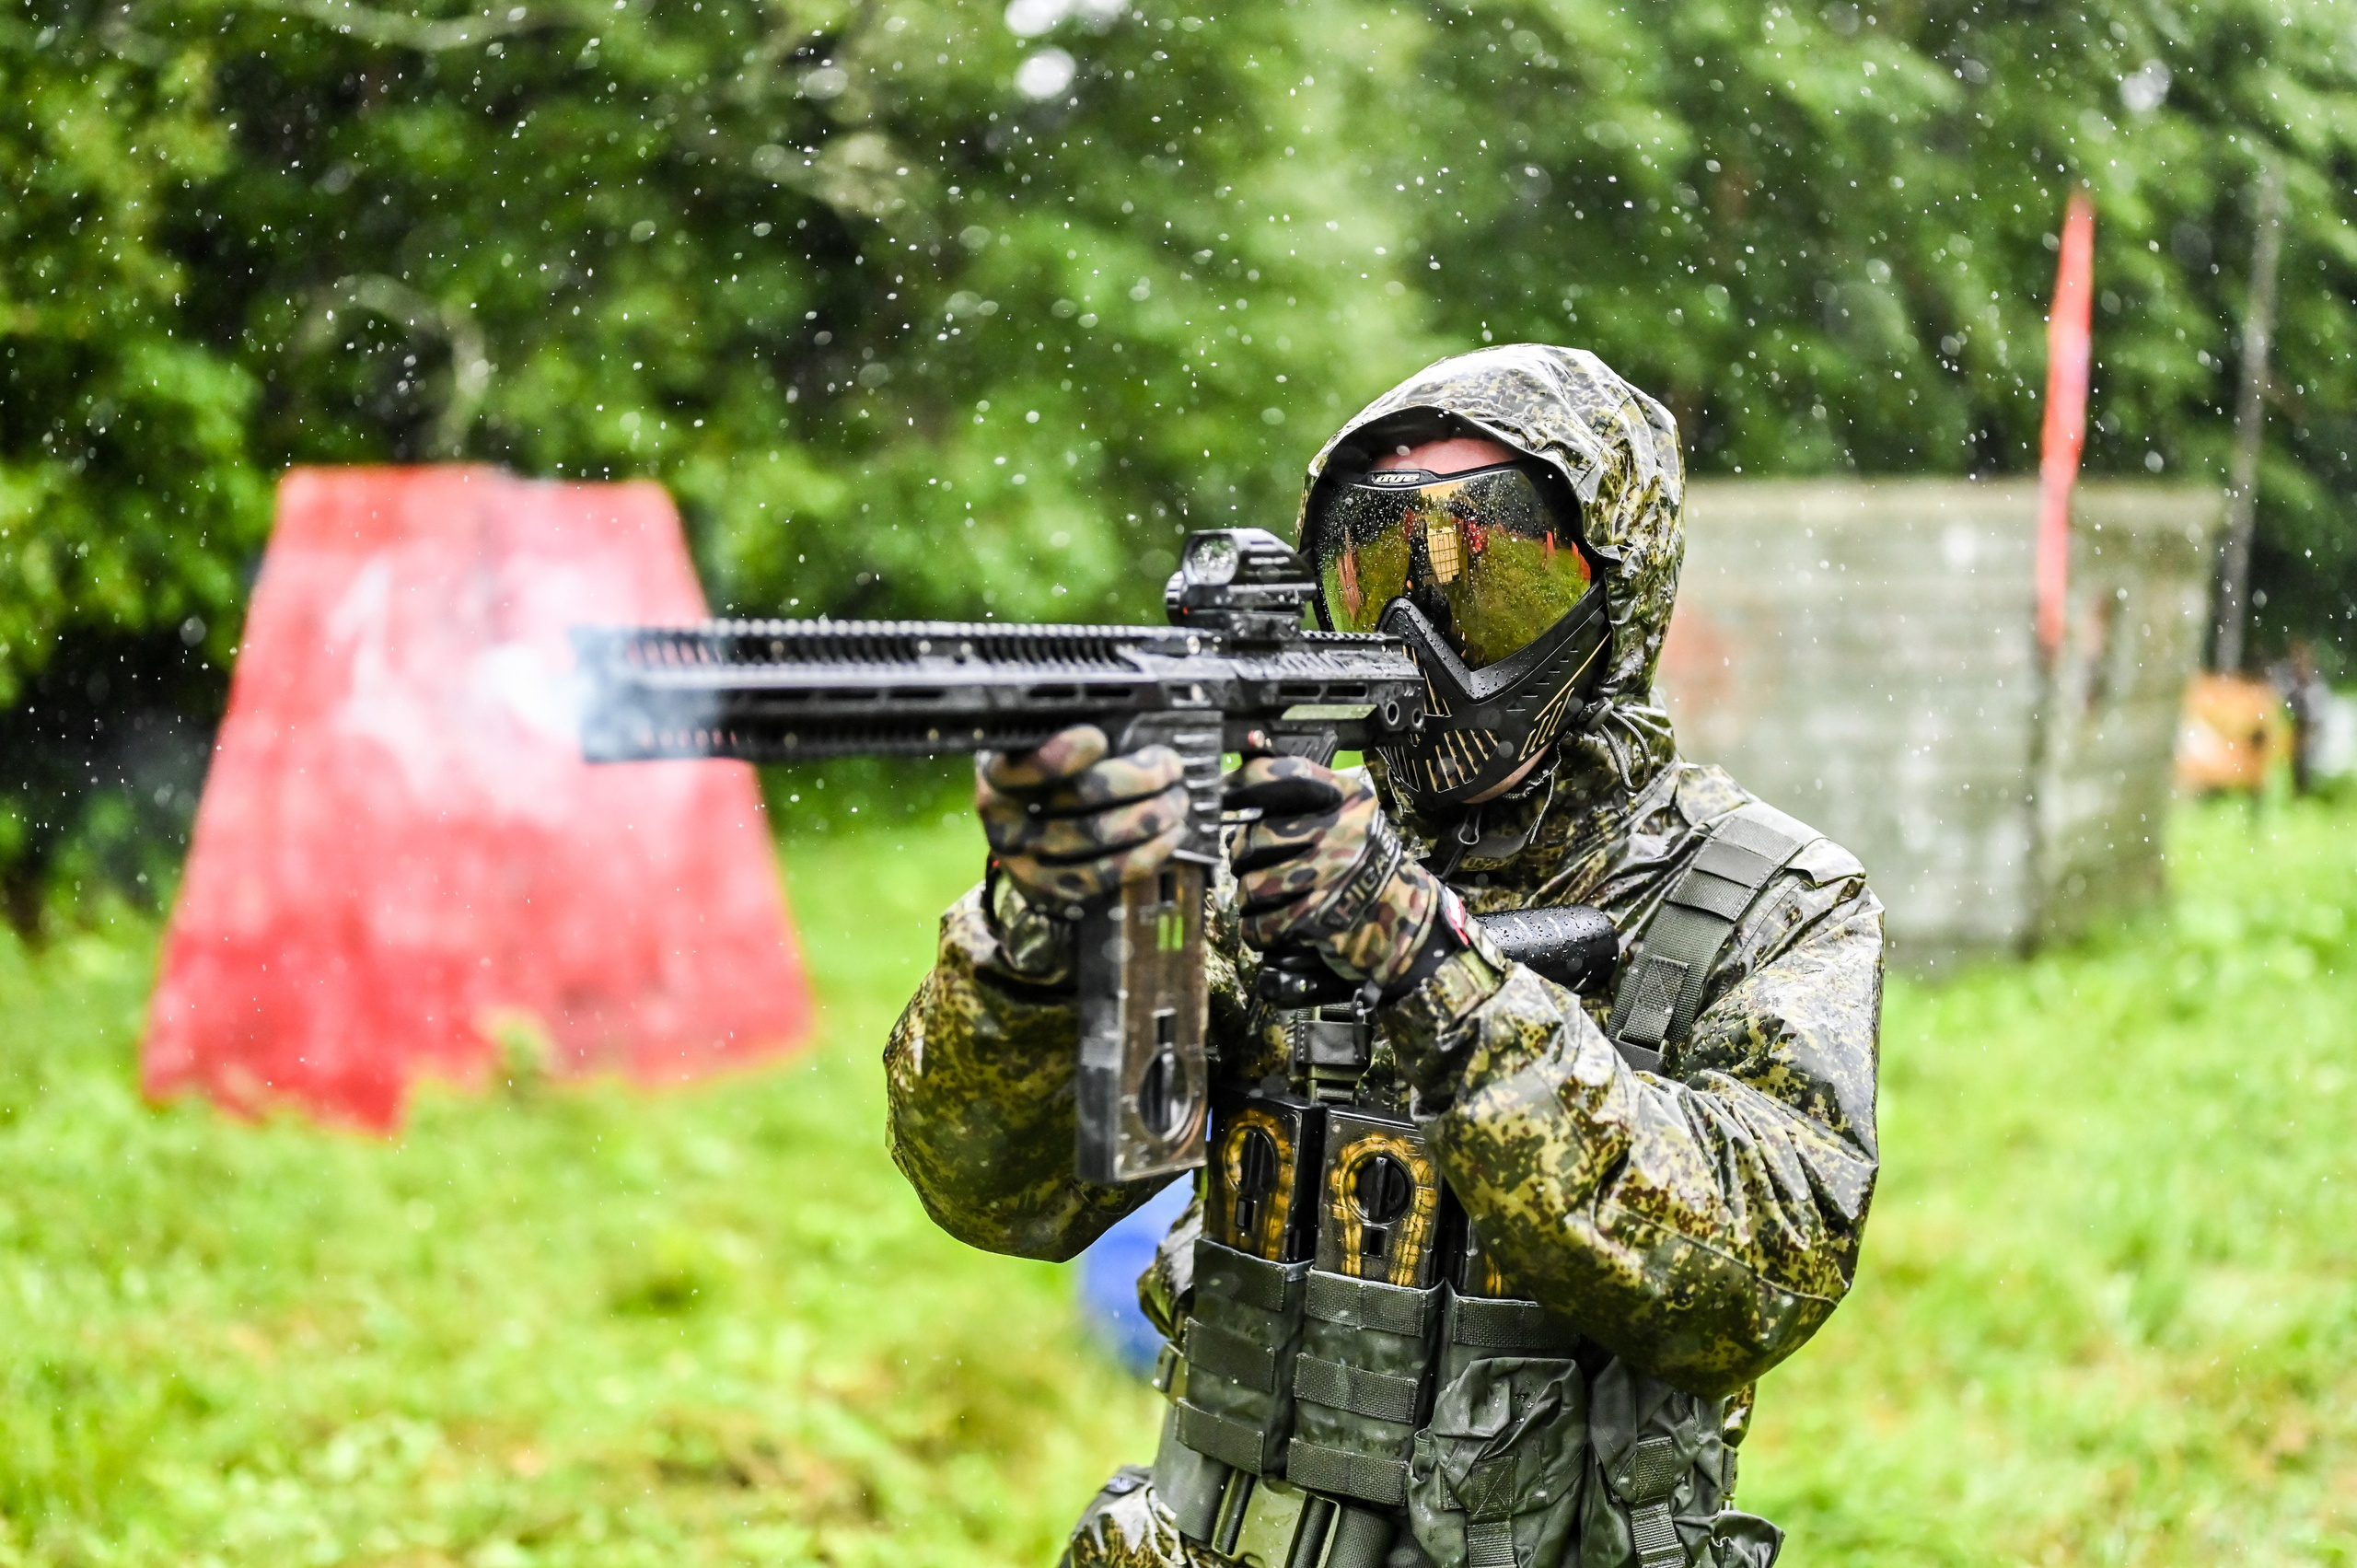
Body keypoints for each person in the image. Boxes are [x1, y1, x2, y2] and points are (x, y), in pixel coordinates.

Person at [884, 345, 1883, 1568]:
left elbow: (1752, 1278)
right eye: (1375, 576)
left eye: (1489, 576)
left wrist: (1429, 966)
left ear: (1615, 591)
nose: (1420, 633)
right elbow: (1003, 1192)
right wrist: (1044, 932)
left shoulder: (1765, 901)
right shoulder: (1260, 871)